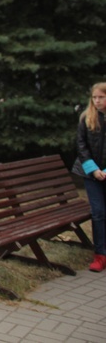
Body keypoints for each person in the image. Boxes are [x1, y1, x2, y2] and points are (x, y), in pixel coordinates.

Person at [73, 82, 106, 272]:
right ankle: (100, 255)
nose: (97, 101)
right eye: (94, 97)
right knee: (98, 213)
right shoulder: (86, 118)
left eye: (101, 97)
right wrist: (94, 170)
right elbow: (81, 146)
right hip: (90, 173)